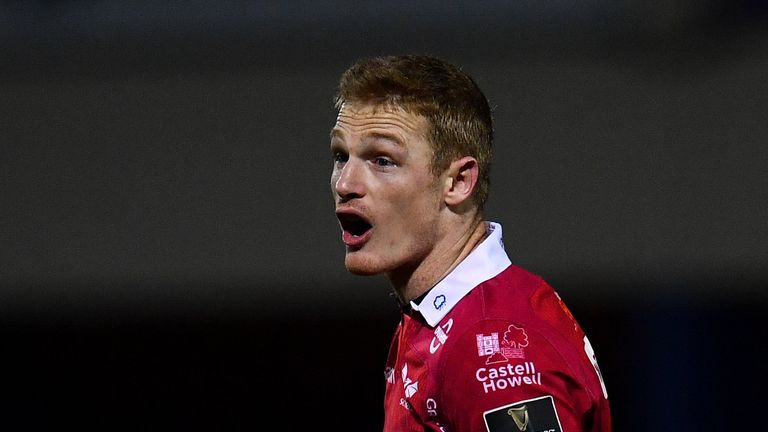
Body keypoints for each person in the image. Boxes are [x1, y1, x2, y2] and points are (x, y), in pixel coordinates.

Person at [329, 54, 611, 432]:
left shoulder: (490, 349)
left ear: (459, 182)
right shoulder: (438, 321)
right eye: (340, 156)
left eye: (382, 160)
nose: (345, 184)